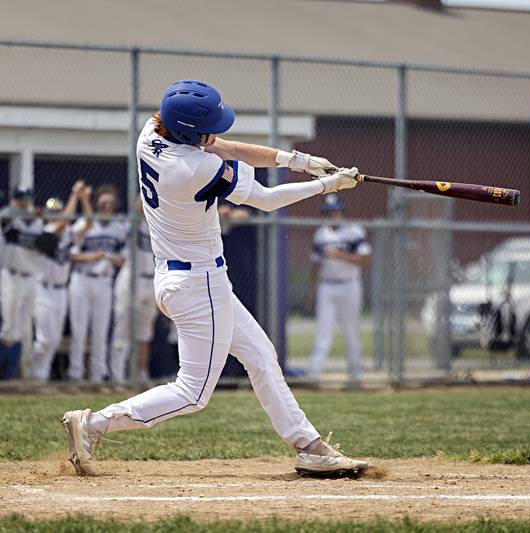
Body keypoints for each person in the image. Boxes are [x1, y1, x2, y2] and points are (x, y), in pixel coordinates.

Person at [62, 79, 368, 478]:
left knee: (260, 355)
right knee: (192, 392)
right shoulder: (193, 169)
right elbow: (265, 199)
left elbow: (227, 146)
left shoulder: (151, 133)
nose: (217, 133)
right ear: (191, 132)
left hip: (191, 278)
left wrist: (300, 161)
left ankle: (309, 446)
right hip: (197, 286)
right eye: (210, 127)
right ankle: (94, 424)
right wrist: (327, 184)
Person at [30, 181, 94, 381]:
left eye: (59, 210)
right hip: (43, 290)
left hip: (61, 291)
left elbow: (90, 223)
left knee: (55, 339)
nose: (57, 213)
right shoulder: (45, 233)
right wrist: (74, 195)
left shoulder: (68, 233)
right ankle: (34, 375)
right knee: (44, 340)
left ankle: (42, 377)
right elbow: (64, 222)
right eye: (54, 211)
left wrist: (84, 200)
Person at [305, 194, 372, 386]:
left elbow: (366, 259)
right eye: (329, 212)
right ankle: (313, 376)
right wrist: (311, 293)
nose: (333, 215)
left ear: (342, 211)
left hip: (349, 285)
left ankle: (356, 376)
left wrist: (339, 255)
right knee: (322, 333)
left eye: (336, 211)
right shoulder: (321, 234)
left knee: (352, 332)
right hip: (327, 286)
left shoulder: (354, 231)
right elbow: (315, 266)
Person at [67, 185, 127, 382]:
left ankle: (97, 376)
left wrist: (109, 257)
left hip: (104, 282)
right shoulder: (84, 223)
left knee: (101, 332)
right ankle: (75, 375)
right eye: (103, 203)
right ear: (97, 204)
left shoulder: (120, 227)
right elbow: (71, 254)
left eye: (110, 204)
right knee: (79, 331)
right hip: (82, 280)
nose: (106, 207)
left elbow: (123, 259)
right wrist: (93, 256)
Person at [109, 198, 158, 383]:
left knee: (144, 333)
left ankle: (141, 375)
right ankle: (118, 378)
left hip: (150, 280)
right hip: (131, 276)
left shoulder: (160, 225)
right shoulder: (135, 222)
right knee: (122, 329)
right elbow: (138, 209)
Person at [0, 187, 43, 379]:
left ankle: (21, 375)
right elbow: (6, 215)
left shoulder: (36, 224)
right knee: (9, 326)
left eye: (26, 198)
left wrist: (39, 216)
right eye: (19, 198)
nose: (23, 202)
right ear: (13, 199)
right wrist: (18, 208)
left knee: (26, 328)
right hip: (11, 275)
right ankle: (6, 376)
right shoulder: (9, 219)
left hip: (31, 278)